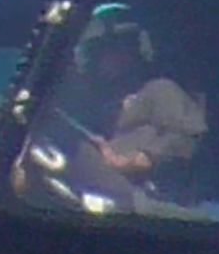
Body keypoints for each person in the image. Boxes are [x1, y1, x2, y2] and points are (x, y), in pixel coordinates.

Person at [59, 25, 207, 214]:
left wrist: (133, 162)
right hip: (87, 193)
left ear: (131, 52)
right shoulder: (91, 102)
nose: (103, 59)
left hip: (142, 203)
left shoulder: (160, 90)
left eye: (113, 49)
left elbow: (187, 134)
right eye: (98, 52)